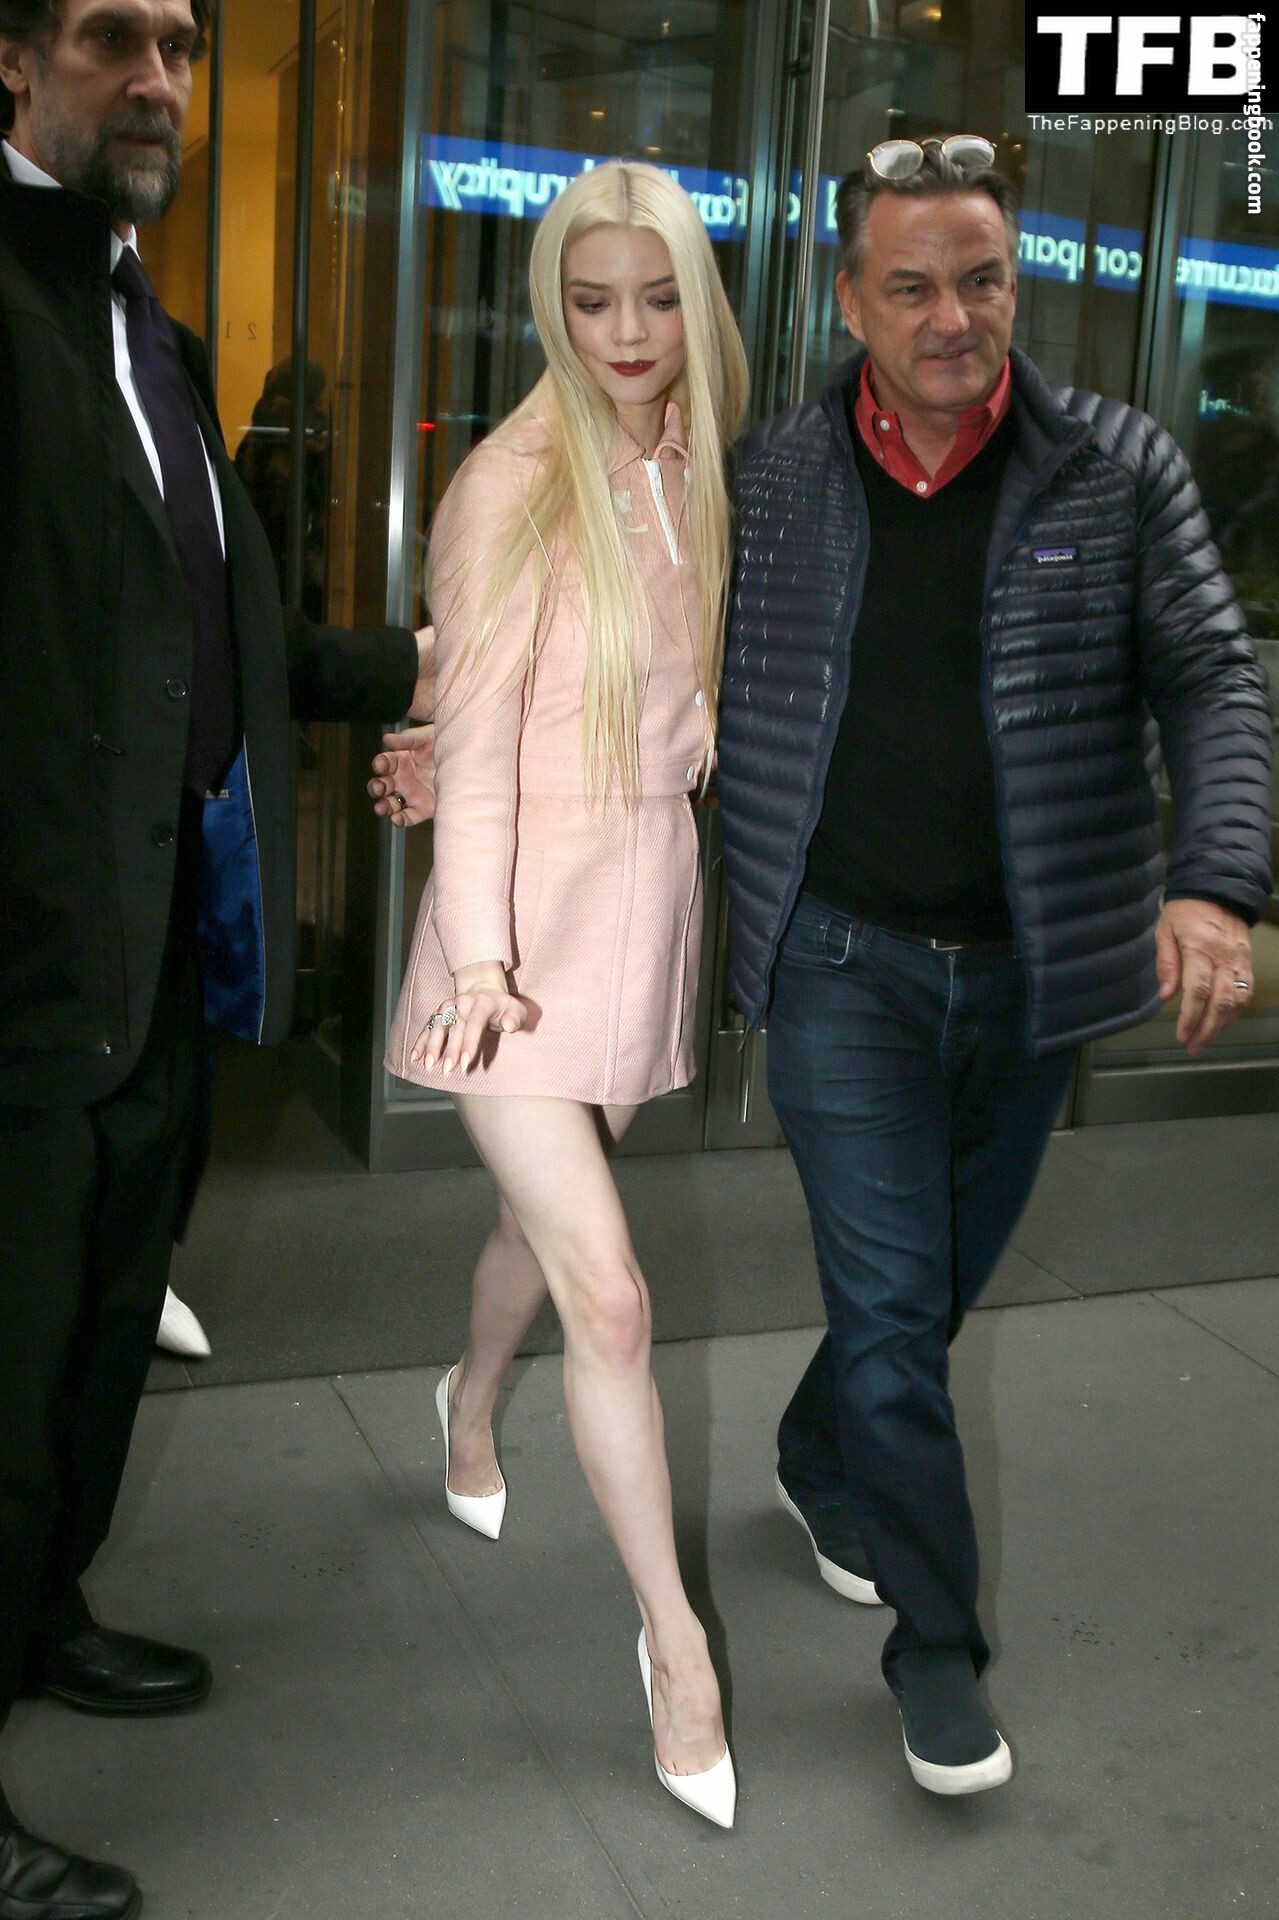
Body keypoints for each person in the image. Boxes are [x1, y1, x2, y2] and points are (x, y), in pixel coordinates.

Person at [714, 137, 1273, 1797]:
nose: (953, 316)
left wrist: (1215, 884)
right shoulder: (770, 479)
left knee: (930, 1287)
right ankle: (937, 1649)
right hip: (841, 962)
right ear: (850, 301)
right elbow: (644, 653)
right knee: (896, 1312)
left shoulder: (1117, 466)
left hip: (1035, 971)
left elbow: (1213, 678)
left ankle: (817, 1450)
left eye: (983, 280)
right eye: (912, 286)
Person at [0, 4, 433, 1913]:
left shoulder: (149, 337)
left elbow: (226, 629)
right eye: (114, 38)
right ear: (14, 61)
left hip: (152, 961)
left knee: (93, 1361)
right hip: (19, 985)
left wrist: (422, 671)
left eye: (179, 42)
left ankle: (37, 1619)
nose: (159, 80)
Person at [384, 159, 748, 1830]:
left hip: (637, 912)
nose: (627, 330)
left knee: (542, 1233)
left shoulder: (698, 463)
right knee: (611, 1296)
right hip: (514, 944)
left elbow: (689, 705)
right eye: (592, 299)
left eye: (658, 296)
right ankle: (676, 1649)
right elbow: (472, 752)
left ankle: (468, 1397)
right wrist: (477, 957)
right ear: (552, 304)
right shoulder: (514, 483)